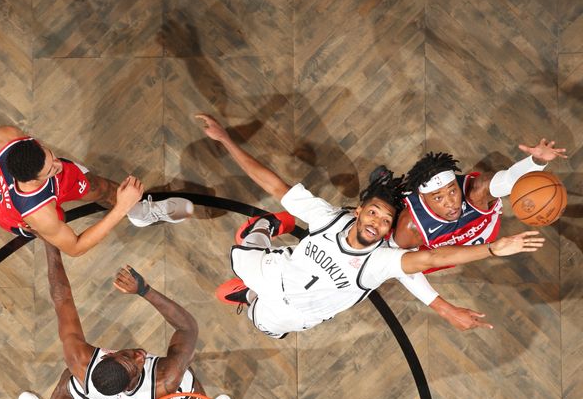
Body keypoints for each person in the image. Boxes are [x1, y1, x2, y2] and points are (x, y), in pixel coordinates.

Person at [196, 114, 545, 339]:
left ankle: (249, 295)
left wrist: (493, 249)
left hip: (296, 313)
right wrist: (226, 140)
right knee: (242, 247)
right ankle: (266, 227)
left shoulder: (380, 260)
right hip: (273, 270)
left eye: (386, 220)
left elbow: (427, 261)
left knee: (264, 324)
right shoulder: (327, 216)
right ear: (359, 210)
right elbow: (273, 184)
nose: (378, 224)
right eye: (375, 213)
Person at [0, 47, 193, 256]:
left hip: (19, 192)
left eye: (50, 155)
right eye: (52, 169)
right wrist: (121, 207)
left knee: (99, 187)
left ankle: (140, 215)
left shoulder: (5, 138)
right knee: (47, 231)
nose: (59, 164)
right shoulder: (40, 213)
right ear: (34, 179)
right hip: (22, 216)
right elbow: (76, 248)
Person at [17, 243, 235, 399]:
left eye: (128, 356)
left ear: (105, 355)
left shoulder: (80, 362)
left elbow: (61, 299)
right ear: (131, 384)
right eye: (136, 365)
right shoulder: (164, 379)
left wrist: (51, 244)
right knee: (187, 382)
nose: (139, 355)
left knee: (69, 381)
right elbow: (188, 328)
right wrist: (144, 290)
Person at [369, 139, 566, 328]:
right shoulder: (411, 226)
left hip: (479, 236)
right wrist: (446, 310)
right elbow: (401, 265)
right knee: (386, 228)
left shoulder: (476, 191)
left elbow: (508, 180)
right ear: (423, 197)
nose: (450, 202)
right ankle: (387, 191)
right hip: (436, 248)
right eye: (438, 197)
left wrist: (536, 161)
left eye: (452, 191)